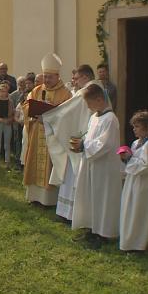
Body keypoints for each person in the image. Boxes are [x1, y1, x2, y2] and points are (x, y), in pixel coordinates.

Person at [41, 64, 98, 222]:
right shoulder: (98, 88)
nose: (74, 81)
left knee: (73, 175)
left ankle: (70, 213)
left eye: (76, 78)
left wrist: (49, 117)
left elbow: (67, 112)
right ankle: (69, 212)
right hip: (86, 136)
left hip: (80, 138)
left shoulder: (86, 91)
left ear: (85, 77)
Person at [70, 84, 123, 249]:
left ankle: (104, 233)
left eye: (89, 104)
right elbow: (90, 137)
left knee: (103, 198)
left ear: (99, 99)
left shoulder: (111, 119)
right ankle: (93, 228)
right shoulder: (94, 117)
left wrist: (84, 146)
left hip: (104, 167)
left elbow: (105, 144)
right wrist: (82, 143)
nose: (88, 107)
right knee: (92, 197)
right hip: (92, 164)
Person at [22, 53, 72, 206]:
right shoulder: (37, 90)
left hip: (53, 137)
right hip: (37, 132)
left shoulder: (66, 93)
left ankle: (49, 200)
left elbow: (67, 114)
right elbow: (25, 106)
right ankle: (34, 196)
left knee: (50, 165)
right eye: (45, 76)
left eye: (50, 77)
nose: (47, 80)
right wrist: (31, 110)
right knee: (35, 162)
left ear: (57, 76)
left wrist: (51, 116)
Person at [119, 110, 148, 252]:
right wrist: (126, 157)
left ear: (147, 127)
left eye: (137, 126)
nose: (134, 129)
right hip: (132, 182)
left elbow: (145, 165)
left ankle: (137, 244)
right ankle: (128, 239)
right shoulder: (136, 143)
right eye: (134, 126)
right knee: (129, 210)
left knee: (138, 212)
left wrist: (129, 159)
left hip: (143, 185)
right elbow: (134, 161)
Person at [0, 82, 14, 163]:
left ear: (7, 92)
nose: (3, 92)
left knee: (7, 144)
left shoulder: (10, 102)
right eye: (1, 91)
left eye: (4, 91)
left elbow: (13, 115)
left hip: (7, 124)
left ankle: (7, 162)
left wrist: (9, 120)